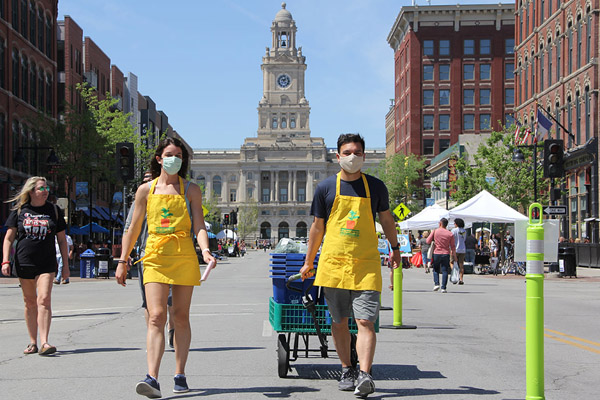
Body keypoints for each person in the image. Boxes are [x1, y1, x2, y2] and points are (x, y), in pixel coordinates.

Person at [299, 133, 400, 397]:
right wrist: (308, 262)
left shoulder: (376, 187)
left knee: (365, 320)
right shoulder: (325, 188)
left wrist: (396, 248)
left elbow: (387, 221)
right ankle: (346, 368)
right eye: (347, 152)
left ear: (364, 156)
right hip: (334, 264)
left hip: (366, 264)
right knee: (339, 321)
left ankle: (365, 374)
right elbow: (317, 228)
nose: (352, 157)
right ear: (338, 156)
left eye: (356, 152)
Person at [116, 138, 216, 398]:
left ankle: (180, 373)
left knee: (180, 317)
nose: (176, 159)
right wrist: (122, 260)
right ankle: (152, 377)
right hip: (155, 256)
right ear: (159, 158)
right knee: (156, 316)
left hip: (183, 255)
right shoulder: (145, 190)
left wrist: (205, 250)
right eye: (170, 154)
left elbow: (199, 225)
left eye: (180, 155)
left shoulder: (190, 190)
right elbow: (134, 227)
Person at [2, 176, 70, 355]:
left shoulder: (53, 210)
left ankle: (45, 342)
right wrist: (5, 260)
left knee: (44, 299)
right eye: (41, 188)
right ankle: (33, 343)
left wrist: (65, 266)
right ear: (31, 191)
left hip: (47, 263)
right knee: (30, 302)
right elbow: (8, 238)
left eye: (46, 188)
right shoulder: (20, 211)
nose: (45, 191)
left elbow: (62, 241)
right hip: (24, 261)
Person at [124, 171, 175, 348]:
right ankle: (153, 336)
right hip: (146, 255)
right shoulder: (139, 200)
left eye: (150, 179)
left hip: (170, 255)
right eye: (144, 180)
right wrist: (126, 255)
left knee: (171, 300)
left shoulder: (169, 199)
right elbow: (129, 228)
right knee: (149, 302)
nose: (147, 183)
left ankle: (172, 328)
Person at [426, 218, 456, 293]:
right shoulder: (450, 233)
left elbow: (427, 241)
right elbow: (452, 246)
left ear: (440, 223)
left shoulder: (435, 231)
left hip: (437, 253)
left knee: (436, 269)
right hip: (446, 253)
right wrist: (454, 255)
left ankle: (436, 284)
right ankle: (443, 287)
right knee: (445, 270)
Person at [451, 218, 466, 285]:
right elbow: (464, 239)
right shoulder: (464, 231)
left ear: (456, 224)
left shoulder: (453, 230)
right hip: (462, 249)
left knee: (452, 262)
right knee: (461, 264)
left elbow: (451, 239)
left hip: (455, 249)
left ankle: (455, 275)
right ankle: (461, 279)